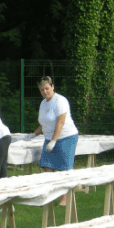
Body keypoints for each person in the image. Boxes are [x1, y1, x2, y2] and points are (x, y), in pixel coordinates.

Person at [25, 76, 79, 205]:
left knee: (64, 168)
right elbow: (44, 124)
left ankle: (64, 198)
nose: (44, 92)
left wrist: (54, 141)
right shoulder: (43, 103)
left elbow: (60, 122)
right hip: (49, 138)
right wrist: (33, 135)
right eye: (42, 90)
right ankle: (50, 194)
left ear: (52, 87)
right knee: (47, 165)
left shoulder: (60, 101)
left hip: (66, 137)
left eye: (47, 88)